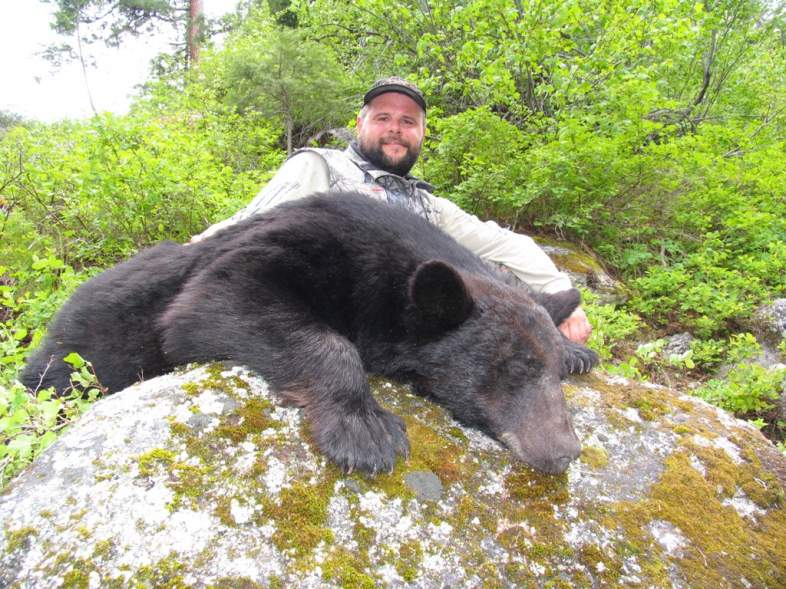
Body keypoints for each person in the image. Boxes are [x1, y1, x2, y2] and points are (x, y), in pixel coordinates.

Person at [192, 77, 592, 344]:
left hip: (412, 341)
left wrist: (562, 297)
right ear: (360, 123)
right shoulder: (320, 167)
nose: (395, 128)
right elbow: (251, 222)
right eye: (383, 118)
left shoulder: (431, 206)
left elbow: (510, 246)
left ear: (421, 133)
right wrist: (197, 250)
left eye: (408, 121)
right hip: (321, 334)